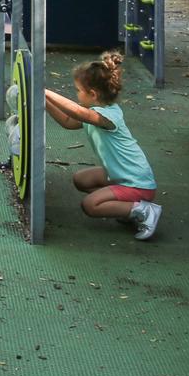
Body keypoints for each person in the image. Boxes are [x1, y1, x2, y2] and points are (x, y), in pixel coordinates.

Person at [44, 52, 162, 240]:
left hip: (137, 182)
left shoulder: (107, 117)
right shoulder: (95, 112)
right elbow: (68, 121)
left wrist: (44, 91)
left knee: (90, 205)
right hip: (122, 175)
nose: (76, 94)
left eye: (77, 90)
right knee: (81, 180)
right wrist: (44, 102)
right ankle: (126, 209)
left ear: (92, 94)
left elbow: (77, 112)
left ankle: (144, 210)